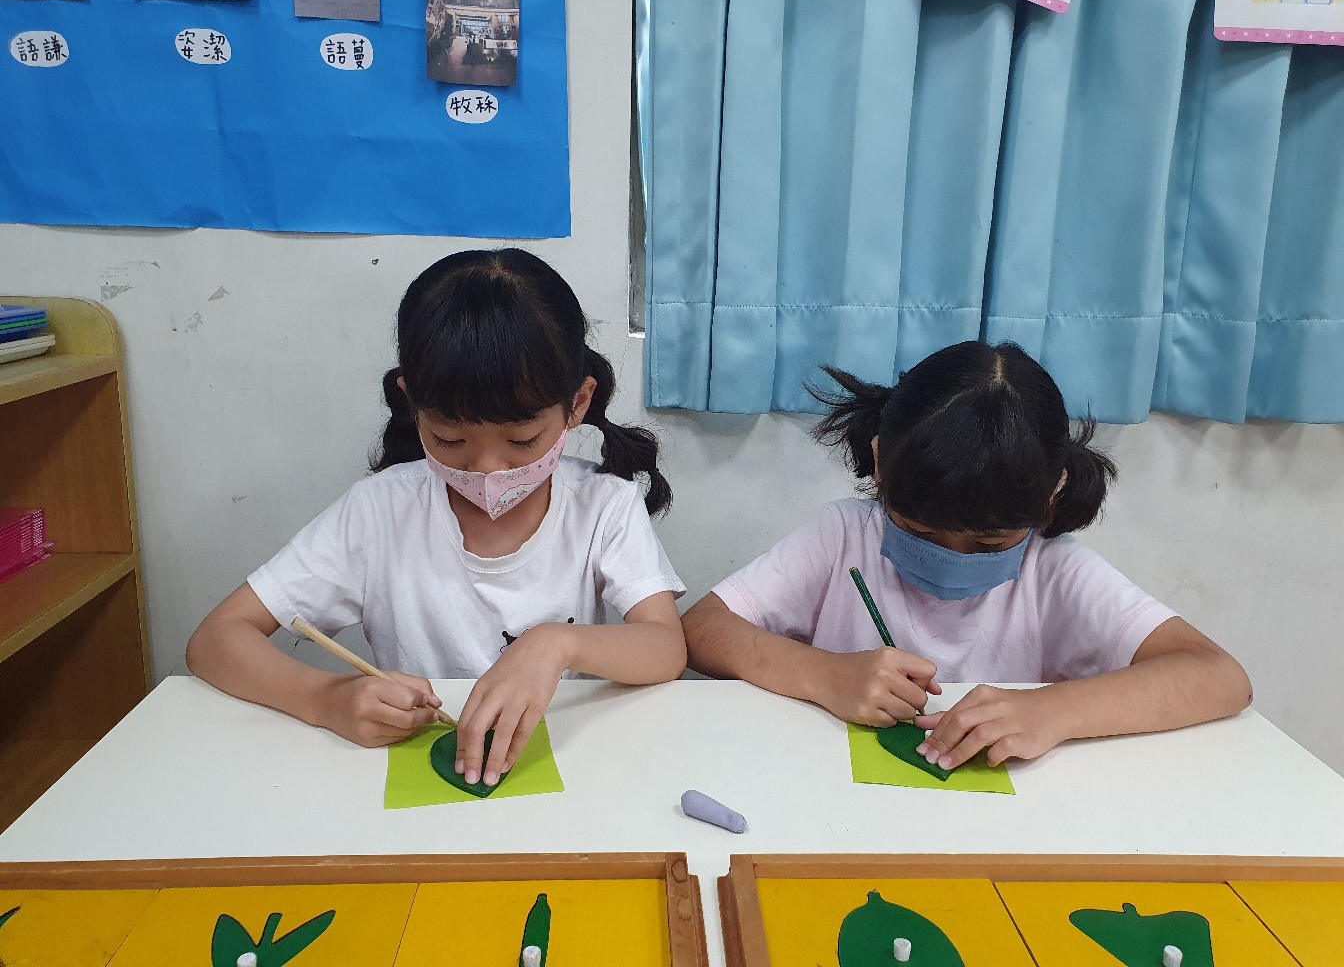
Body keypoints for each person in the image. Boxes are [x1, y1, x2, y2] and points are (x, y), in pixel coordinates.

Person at [187, 249, 686, 789]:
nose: (488, 469)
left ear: (578, 404)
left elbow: (665, 647)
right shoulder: (379, 512)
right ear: (412, 404)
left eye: (522, 441)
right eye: (450, 439)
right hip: (410, 779)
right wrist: (326, 700)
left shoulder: (603, 506)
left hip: (562, 774)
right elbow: (215, 640)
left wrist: (557, 643)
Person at [683, 341, 1251, 771]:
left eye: (989, 545)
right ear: (879, 463)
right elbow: (702, 627)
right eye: (918, 530)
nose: (951, 557)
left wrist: (1051, 712)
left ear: (1054, 489)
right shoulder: (843, 537)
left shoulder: (1053, 570)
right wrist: (825, 675)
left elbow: (1219, 676)